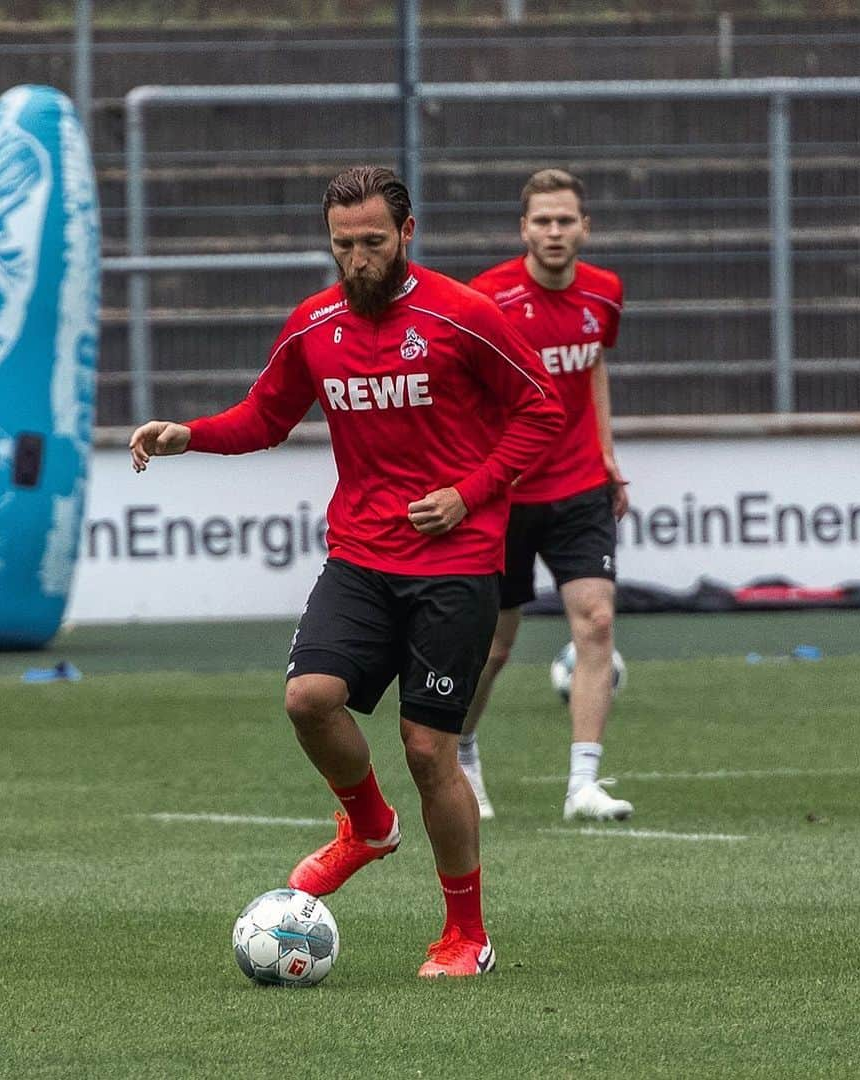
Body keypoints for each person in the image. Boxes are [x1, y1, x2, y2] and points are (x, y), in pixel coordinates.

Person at [129, 166, 564, 977]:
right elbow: (265, 415)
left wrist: (469, 495)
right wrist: (190, 434)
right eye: (342, 245)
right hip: (361, 555)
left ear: (407, 234)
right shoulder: (315, 324)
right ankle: (367, 826)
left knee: (430, 750)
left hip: (457, 562)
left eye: (372, 242)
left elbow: (542, 406)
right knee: (308, 698)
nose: (357, 260)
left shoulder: (463, 315)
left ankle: (466, 935)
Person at [462, 168, 631, 823]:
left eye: (566, 220)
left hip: (581, 485)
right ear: (523, 229)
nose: (554, 232)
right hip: (504, 493)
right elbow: (464, 390)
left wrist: (607, 451)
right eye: (543, 221)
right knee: (495, 646)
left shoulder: (606, 294)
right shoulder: (487, 298)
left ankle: (582, 784)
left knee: (596, 622)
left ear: (584, 227)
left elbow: (592, 368)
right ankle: (464, 753)